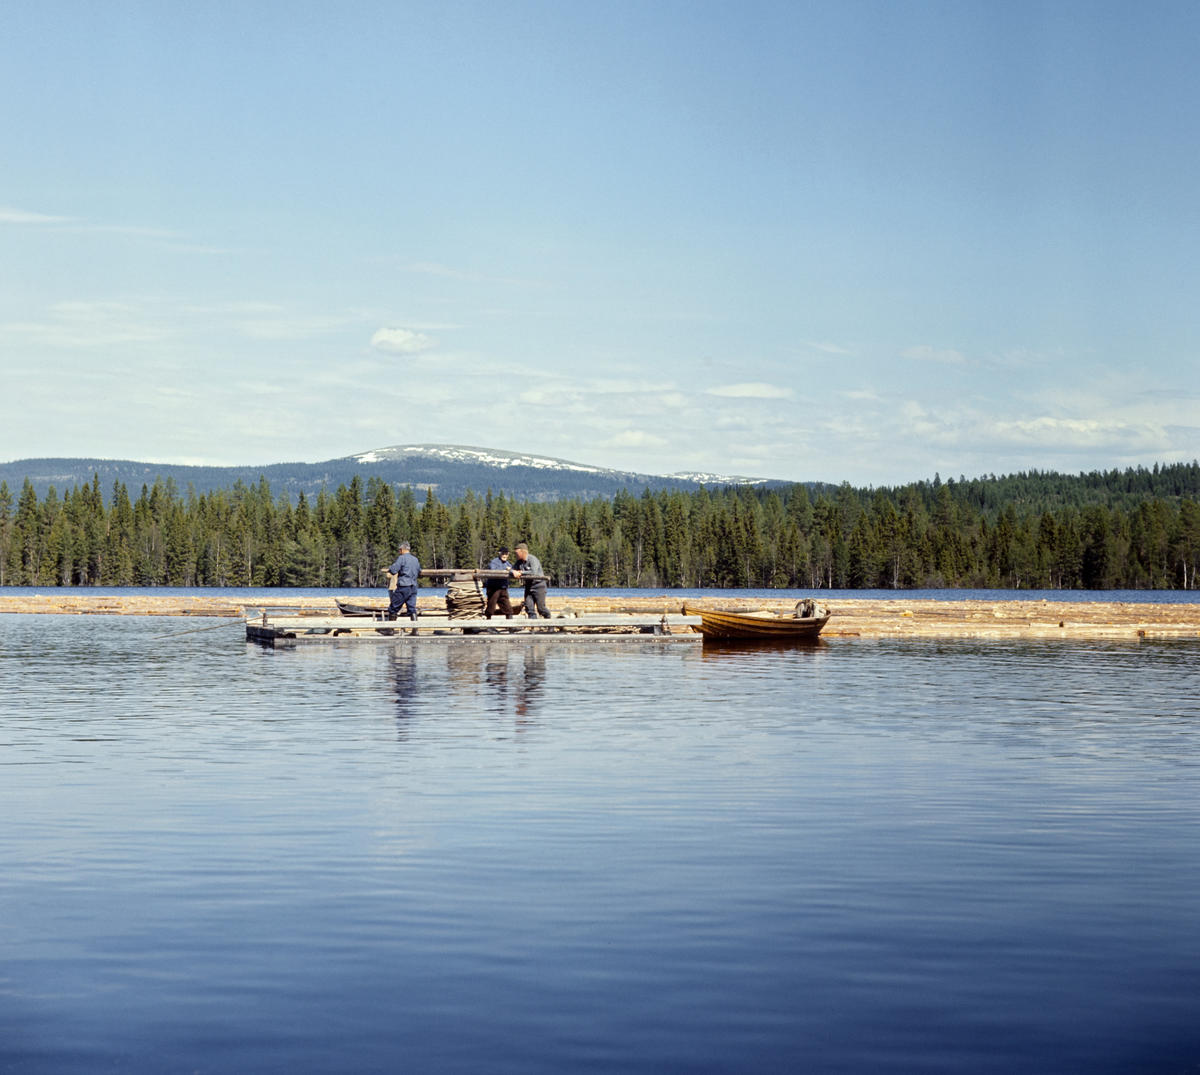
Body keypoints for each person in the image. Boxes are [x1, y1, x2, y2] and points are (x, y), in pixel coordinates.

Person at [386, 541, 421, 625]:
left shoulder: (401, 558)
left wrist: (390, 568)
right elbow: (419, 571)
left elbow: (393, 570)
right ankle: (415, 630)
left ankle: (390, 629)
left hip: (403, 586)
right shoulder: (415, 559)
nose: (399, 552)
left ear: (401, 550)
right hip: (413, 587)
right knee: (412, 608)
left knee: (393, 607)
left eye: (399, 550)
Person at [512, 542, 550, 619]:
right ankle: (533, 625)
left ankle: (549, 622)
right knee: (529, 608)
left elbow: (534, 572)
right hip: (528, 586)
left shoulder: (532, 559)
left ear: (523, 552)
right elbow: (512, 569)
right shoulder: (519, 562)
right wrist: (513, 571)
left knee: (541, 608)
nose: (515, 555)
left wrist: (521, 573)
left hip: (539, 586)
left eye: (517, 553)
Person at [484, 546, 516, 619]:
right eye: (503, 553)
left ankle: (511, 625)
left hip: (503, 587)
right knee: (491, 605)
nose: (504, 555)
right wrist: (505, 570)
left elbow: (512, 570)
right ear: (499, 553)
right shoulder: (494, 562)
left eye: (506, 554)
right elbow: (493, 572)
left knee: (507, 606)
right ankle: (488, 625)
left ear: (508, 554)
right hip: (493, 588)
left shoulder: (508, 563)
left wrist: (511, 570)